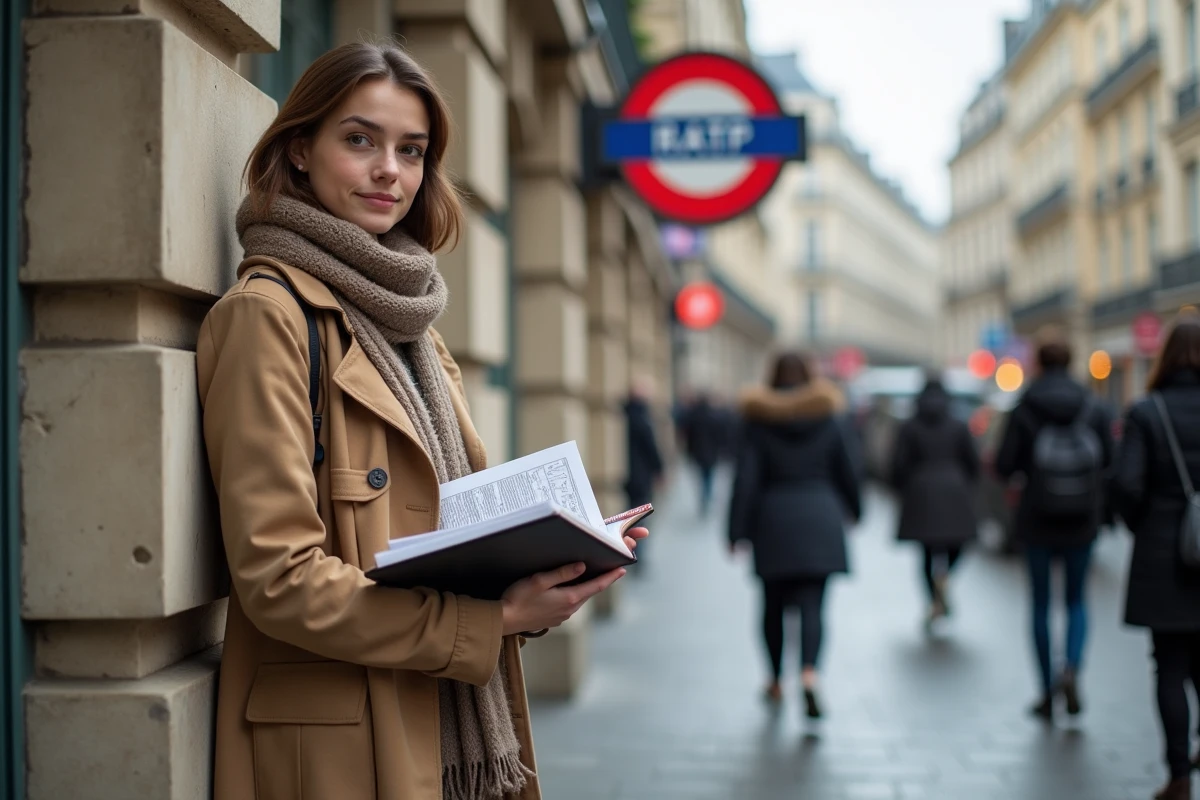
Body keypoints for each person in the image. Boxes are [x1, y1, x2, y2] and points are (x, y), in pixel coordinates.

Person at [197, 43, 647, 800]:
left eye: (412, 150)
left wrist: (547, 568)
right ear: (300, 148)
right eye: (360, 140)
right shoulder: (267, 316)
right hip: (338, 744)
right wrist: (492, 621)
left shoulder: (412, 328)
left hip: (437, 711)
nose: (390, 172)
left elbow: (439, 531)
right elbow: (278, 578)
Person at [728, 352, 862, 719]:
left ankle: (774, 680)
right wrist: (855, 509)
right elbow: (848, 469)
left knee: (771, 607)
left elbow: (746, 479)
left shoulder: (758, 420)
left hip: (773, 521)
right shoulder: (828, 416)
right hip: (820, 516)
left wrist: (735, 530)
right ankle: (809, 674)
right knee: (813, 606)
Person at [995, 329, 1114, 722]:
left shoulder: (1024, 406)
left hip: (1037, 517)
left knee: (1041, 604)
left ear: (1039, 363)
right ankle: (1072, 667)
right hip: (1082, 517)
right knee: (1077, 600)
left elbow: (1004, 465)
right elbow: (1110, 461)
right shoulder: (1093, 406)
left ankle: (1046, 690)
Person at [1110, 314, 1200, 800]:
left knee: (1169, 666)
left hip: (1163, 554)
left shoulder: (1147, 412)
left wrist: (1145, 527)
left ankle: (1179, 776)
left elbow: (1126, 485)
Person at [890, 377, 980, 627]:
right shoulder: (958, 425)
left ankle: (933, 598)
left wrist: (905, 489)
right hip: (954, 490)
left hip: (921, 492)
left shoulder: (910, 426)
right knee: (957, 545)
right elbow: (973, 462)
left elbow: (898, 465)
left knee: (926, 552)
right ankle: (944, 578)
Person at [623, 377, 665, 566]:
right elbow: (651, 448)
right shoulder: (643, 418)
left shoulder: (622, 415)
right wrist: (659, 469)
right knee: (640, 515)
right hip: (641, 475)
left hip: (624, 473)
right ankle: (637, 553)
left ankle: (630, 550)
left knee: (628, 514)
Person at [681, 392, 725, 515]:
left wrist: (689, 451)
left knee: (702, 475)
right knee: (709, 475)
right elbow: (719, 436)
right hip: (711, 452)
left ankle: (704, 496)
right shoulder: (714, 416)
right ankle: (707, 495)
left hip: (698, 452)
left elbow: (688, 436)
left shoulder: (693, 416)